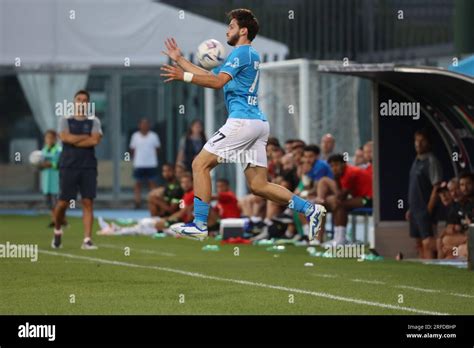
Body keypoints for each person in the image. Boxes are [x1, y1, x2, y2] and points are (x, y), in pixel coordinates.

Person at [160, 8, 325, 241]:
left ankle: (199, 224)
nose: (227, 30)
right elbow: (210, 75)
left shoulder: (242, 53)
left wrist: (183, 76)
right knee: (259, 185)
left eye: (231, 26)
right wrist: (180, 60)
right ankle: (311, 209)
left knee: (200, 165)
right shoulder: (241, 56)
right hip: (257, 123)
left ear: (243, 30)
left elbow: (216, 82)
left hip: (242, 122)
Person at [53, 89, 102, 249]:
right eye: (79, 99)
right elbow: (65, 137)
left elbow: (94, 141)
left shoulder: (94, 121)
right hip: (68, 165)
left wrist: (75, 139)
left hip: (88, 166)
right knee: (63, 203)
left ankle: (87, 240)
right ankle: (58, 229)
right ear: (74, 102)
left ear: (88, 103)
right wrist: (84, 137)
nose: (81, 102)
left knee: (88, 201)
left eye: (84, 100)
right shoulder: (65, 120)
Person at [316, 154, 373, 245]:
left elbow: (341, 196)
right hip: (360, 198)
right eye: (332, 166)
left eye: (336, 165)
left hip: (369, 199)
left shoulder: (350, 173)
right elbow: (339, 193)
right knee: (337, 204)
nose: (334, 168)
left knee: (340, 205)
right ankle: (337, 238)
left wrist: (328, 200)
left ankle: (341, 239)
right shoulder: (342, 174)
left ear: (344, 164)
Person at [405, 129, 442, 259]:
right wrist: (411, 209)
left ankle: (432, 269)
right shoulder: (416, 160)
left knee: (428, 242)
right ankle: (423, 269)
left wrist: (428, 209)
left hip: (425, 209)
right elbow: (415, 187)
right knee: (418, 242)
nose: (418, 144)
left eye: (422, 141)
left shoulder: (432, 161)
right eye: (416, 140)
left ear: (429, 143)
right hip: (415, 209)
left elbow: (437, 186)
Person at [130, 118, 161, 209]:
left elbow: (157, 149)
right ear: (139, 125)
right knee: (137, 184)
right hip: (139, 164)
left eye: (146, 124)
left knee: (152, 184)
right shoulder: (135, 136)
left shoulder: (154, 136)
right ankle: (137, 202)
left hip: (151, 164)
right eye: (142, 124)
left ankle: (155, 202)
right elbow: (132, 149)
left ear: (149, 125)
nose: (144, 126)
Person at [38, 130, 62, 227]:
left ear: (55, 139)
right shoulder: (43, 150)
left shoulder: (59, 150)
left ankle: (57, 220)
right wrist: (39, 165)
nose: (49, 140)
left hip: (55, 182)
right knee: (49, 203)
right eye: (47, 138)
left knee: (56, 203)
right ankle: (56, 219)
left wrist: (51, 164)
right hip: (46, 182)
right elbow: (39, 165)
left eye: (51, 138)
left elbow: (61, 163)